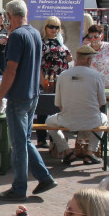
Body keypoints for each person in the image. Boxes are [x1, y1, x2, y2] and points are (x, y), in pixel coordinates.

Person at [0, 0, 56, 201]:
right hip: (31, 93)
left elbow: (11, 69)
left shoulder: (17, 36)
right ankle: (44, 177)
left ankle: (19, 188)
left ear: (9, 16)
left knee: (19, 143)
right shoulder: (34, 33)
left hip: (19, 95)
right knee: (24, 140)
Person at [46, 45, 107, 165]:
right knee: (104, 119)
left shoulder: (63, 75)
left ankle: (67, 152)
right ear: (89, 60)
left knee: (49, 122)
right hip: (91, 121)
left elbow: (58, 103)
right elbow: (102, 102)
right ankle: (90, 153)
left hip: (67, 120)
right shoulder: (96, 76)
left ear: (76, 58)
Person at [35, 16, 73, 148]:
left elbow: (67, 60)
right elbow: (38, 64)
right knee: (43, 109)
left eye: (57, 27)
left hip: (61, 81)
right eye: (51, 26)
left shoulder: (60, 42)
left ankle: (55, 139)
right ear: (45, 27)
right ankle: (41, 138)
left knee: (57, 109)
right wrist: (42, 81)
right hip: (47, 80)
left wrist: (68, 59)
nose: (54, 29)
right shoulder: (42, 43)